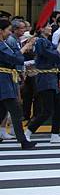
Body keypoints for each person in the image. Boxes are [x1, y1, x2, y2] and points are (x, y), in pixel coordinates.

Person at [25, 22, 60, 143]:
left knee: (58, 108)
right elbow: (54, 55)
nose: (51, 28)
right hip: (45, 79)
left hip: (51, 78)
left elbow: (58, 54)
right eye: (48, 26)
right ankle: (28, 131)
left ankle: (55, 134)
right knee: (47, 110)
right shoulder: (40, 41)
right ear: (41, 28)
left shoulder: (46, 41)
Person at [0, 19, 36, 149]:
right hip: (3, 81)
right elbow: (15, 58)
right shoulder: (1, 44)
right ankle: (23, 141)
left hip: (5, 79)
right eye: (8, 30)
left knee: (2, 110)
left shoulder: (4, 43)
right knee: (15, 110)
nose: (9, 33)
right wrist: (25, 47)